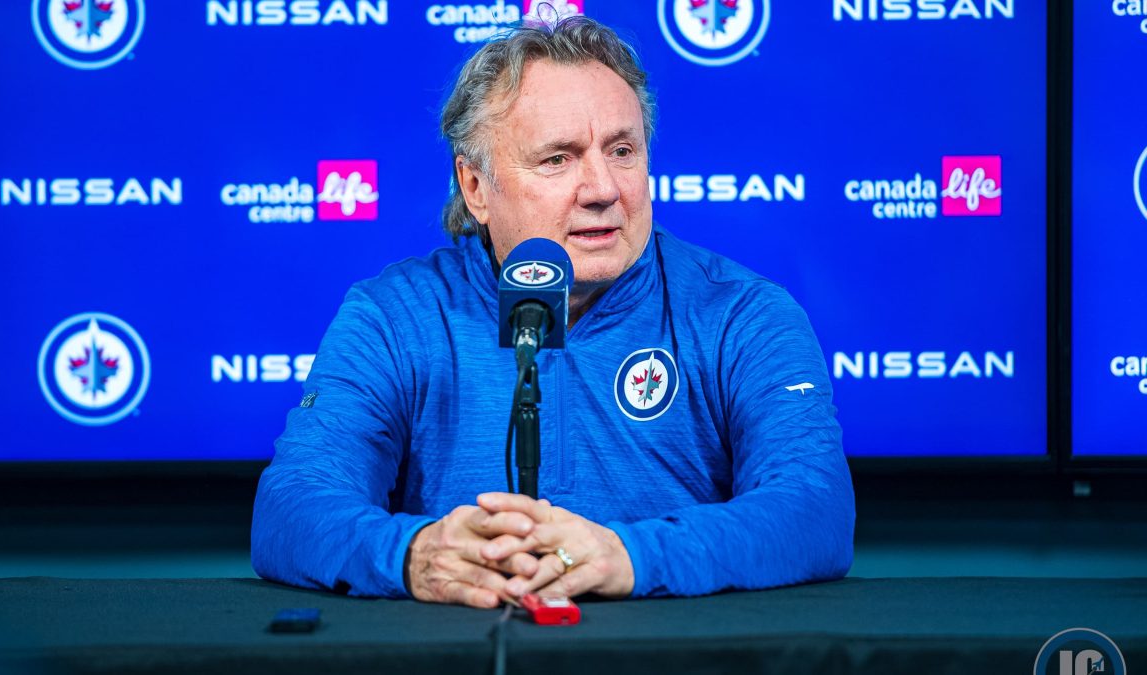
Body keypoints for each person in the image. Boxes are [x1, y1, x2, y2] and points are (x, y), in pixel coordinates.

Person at [251, 15, 854, 608]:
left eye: (622, 150)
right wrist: (412, 555)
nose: (603, 189)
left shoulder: (744, 315)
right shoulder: (394, 317)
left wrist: (631, 557)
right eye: (557, 159)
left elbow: (814, 507)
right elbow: (292, 507)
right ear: (475, 187)